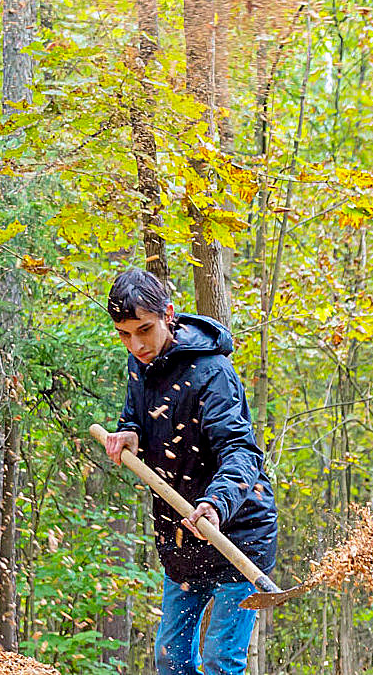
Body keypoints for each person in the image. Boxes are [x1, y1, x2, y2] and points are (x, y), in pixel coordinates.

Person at [100, 269, 278, 675]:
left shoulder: (212, 372)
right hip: (181, 537)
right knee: (171, 659)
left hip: (237, 534)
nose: (137, 344)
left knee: (220, 661)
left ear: (169, 314)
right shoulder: (139, 363)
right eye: (125, 334)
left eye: (145, 329)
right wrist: (129, 431)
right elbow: (138, 415)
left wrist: (215, 504)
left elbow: (241, 451)